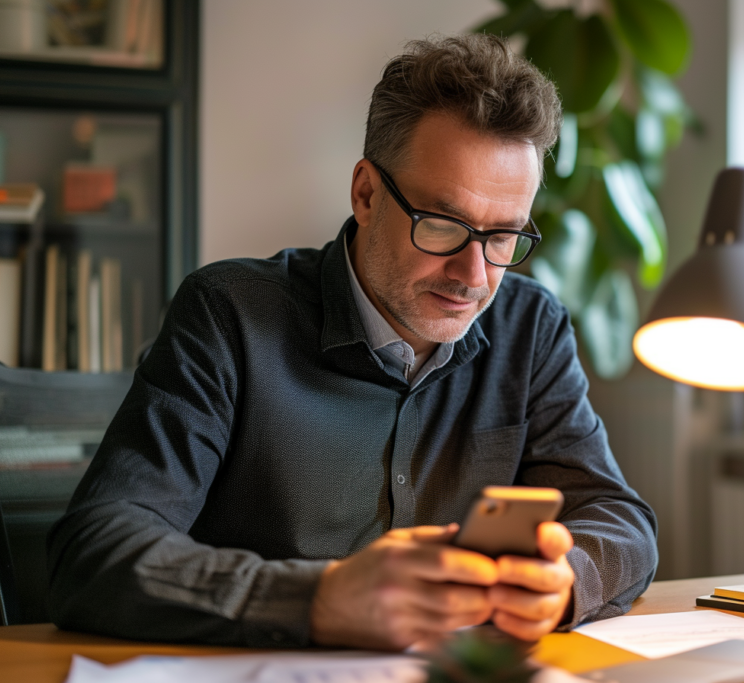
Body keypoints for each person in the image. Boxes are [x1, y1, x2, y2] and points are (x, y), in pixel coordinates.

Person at [46, 34, 658, 650]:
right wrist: (320, 599)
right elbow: (96, 550)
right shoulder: (227, 313)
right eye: (443, 225)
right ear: (366, 194)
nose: (475, 276)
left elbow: (620, 520)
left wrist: (566, 581)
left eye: (503, 237)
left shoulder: (530, 329)